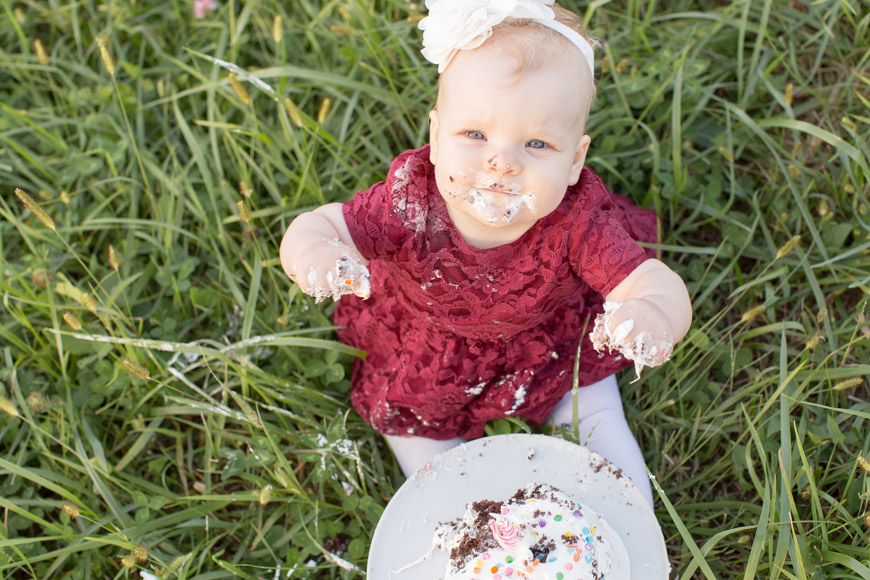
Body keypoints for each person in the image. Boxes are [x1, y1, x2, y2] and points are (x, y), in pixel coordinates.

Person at [279, 0, 692, 506]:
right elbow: (321, 223)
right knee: (417, 429)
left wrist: (650, 312)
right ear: (435, 137)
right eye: (474, 134)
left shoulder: (577, 223)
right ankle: (461, 512)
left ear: (574, 161)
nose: (501, 162)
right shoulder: (409, 203)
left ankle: (629, 517)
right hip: (430, 348)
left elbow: (650, 281)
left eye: (537, 144)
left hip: (546, 344)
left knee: (592, 402)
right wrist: (317, 250)